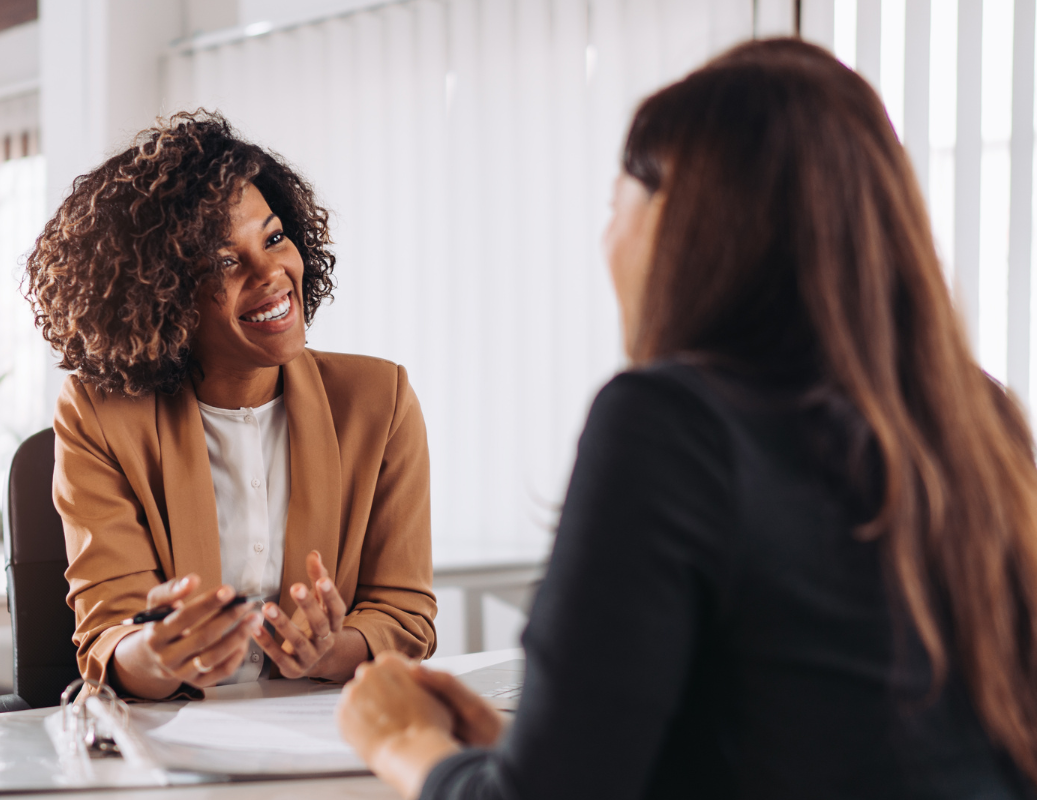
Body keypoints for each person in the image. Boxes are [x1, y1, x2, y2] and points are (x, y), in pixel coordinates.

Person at [336, 38, 1037, 799]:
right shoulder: (977, 419)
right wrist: (521, 745)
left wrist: (404, 741)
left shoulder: (669, 424)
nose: (608, 238)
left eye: (616, 205)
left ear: (679, 218)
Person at [25, 111, 436, 700]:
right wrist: (162, 652)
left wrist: (327, 649)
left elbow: (405, 615)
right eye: (224, 261)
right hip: (169, 748)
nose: (272, 274)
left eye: (273, 238)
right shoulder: (99, 415)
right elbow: (109, 638)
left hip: (323, 740)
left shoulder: (379, 400)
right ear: (161, 295)